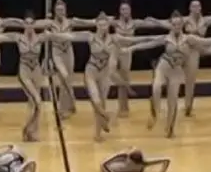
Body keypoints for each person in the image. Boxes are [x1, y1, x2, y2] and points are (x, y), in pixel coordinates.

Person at [44, 12, 149, 141]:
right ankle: (106, 116)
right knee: (96, 101)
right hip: (91, 72)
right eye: (100, 24)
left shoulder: (114, 38)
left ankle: (98, 133)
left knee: (103, 102)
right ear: (97, 25)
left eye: (105, 24)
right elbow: (71, 36)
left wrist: (157, 39)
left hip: (105, 73)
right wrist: (51, 35)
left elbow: (134, 40)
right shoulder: (90, 36)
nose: (103, 26)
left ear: (108, 25)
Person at [122, 11, 211, 138]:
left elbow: (205, 42)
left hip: (176, 71)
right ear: (171, 25)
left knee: (173, 100)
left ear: (182, 25)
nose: (176, 26)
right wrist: (131, 49)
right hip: (163, 66)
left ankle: (170, 128)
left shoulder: (189, 39)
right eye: (174, 24)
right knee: (157, 87)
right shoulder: (165, 38)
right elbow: (148, 44)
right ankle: (154, 113)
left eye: (178, 24)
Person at [0, 12, 55, 141]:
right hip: (24, 72)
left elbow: (58, 35)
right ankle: (27, 130)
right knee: (37, 100)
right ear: (23, 25)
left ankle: (33, 131)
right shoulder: (17, 37)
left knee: (32, 103)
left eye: (31, 24)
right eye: (26, 24)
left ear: (34, 25)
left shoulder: (41, 37)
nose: (28, 26)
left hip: (36, 71)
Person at [146, 0, 211, 116]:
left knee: (190, 81)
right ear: (190, 8)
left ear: (200, 8)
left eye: (198, 6)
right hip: (184, 51)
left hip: (196, 52)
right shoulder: (184, 20)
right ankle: (156, 98)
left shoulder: (206, 21)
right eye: (193, 6)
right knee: (172, 79)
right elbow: (167, 23)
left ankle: (188, 107)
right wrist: (155, 21)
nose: (196, 8)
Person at [35, 0, 96, 118]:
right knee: (64, 77)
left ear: (65, 10)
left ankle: (70, 106)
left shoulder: (71, 22)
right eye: (58, 10)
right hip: (57, 53)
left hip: (68, 52)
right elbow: (35, 24)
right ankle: (63, 108)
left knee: (68, 80)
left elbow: (88, 23)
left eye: (62, 9)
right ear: (54, 11)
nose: (60, 12)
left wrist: (100, 21)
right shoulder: (50, 23)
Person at [100, 147, 171, 172]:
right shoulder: (143, 163)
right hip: (109, 168)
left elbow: (103, 164)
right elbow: (167, 160)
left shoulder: (124, 156)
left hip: (108, 168)